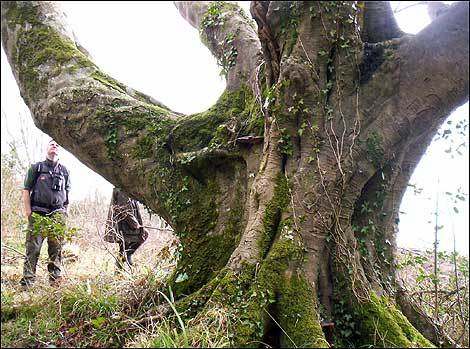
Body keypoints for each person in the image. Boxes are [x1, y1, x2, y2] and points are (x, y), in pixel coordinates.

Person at [20, 139, 71, 288]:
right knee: (33, 249)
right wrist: (29, 212)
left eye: (57, 144)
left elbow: (68, 194)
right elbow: (25, 190)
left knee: (56, 250)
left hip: (57, 215)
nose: (54, 145)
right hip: (38, 214)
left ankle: (55, 284)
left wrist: (65, 212)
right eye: (51, 143)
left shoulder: (65, 171)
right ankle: (27, 284)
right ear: (46, 148)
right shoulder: (36, 168)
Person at [104, 187, 148, 271]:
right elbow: (124, 209)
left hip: (125, 226)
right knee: (144, 235)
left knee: (122, 250)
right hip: (123, 226)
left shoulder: (127, 189)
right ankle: (127, 256)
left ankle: (119, 270)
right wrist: (135, 224)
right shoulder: (122, 190)